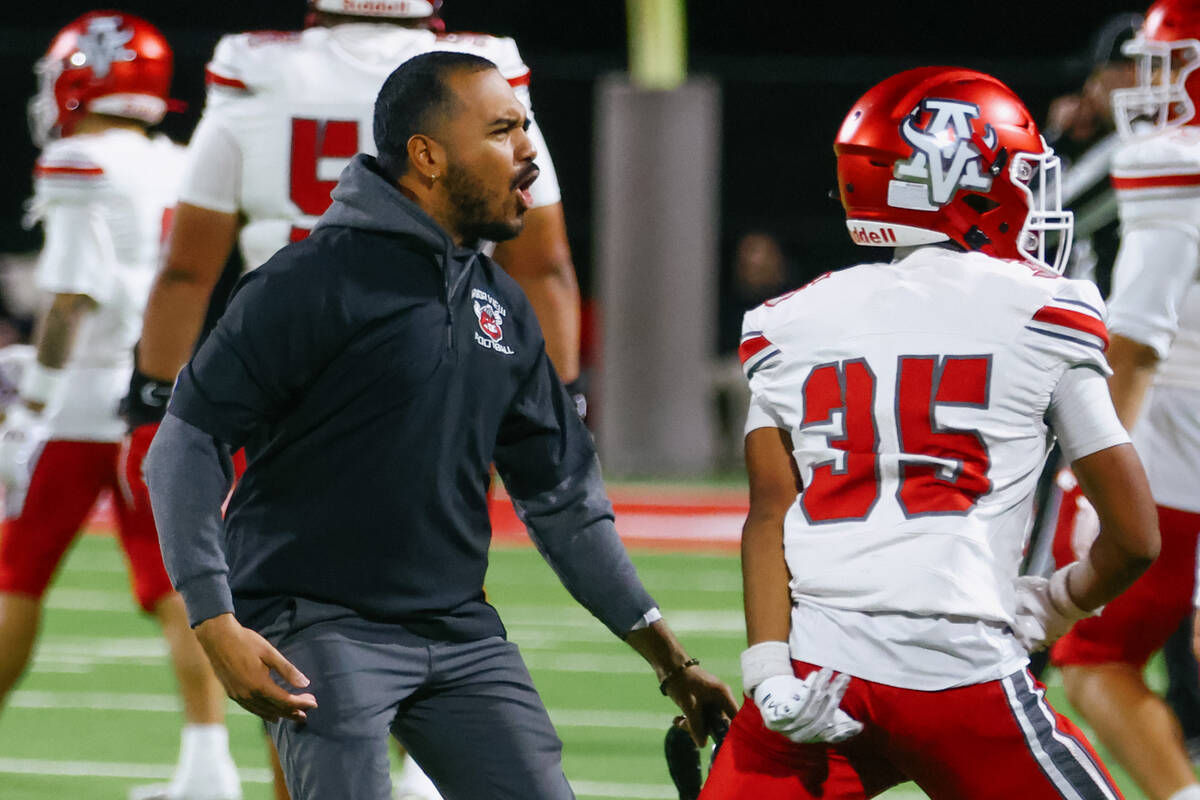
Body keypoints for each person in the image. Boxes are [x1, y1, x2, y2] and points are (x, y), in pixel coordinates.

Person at [144, 51, 737, 800]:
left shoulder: (504, 307)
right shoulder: (307, 284)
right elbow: (182, 445)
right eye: (501, 130)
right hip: (320, 627)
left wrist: (671, 662)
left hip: (459, 633)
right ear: (426, 156)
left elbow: (565, 505)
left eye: (526, 127)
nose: (529, 151)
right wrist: (214, 622)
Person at [699, 66, 1160, 799]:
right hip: (961, 674)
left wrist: (768, 674)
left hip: (818, 683)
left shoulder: (790, 323)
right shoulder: (1044, 313)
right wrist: (1058, 601)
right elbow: (1136, 536)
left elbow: (768, 514)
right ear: (958, 180)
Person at [0, 12, 240, 800]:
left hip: (77, 407)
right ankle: (207, 765)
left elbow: (72, 299)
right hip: (158, 398)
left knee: (17, 573)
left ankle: (207, 770)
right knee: (177, 585)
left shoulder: (76, 160)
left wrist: (27, 408)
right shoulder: (178, 160)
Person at [1046, 3, 1200, 798]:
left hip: (1181, 439)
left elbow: (1135, 344)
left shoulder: (1174, 162)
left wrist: (1089, 484)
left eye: (1169, 63)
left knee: (1094, 656)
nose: (1151, 85)